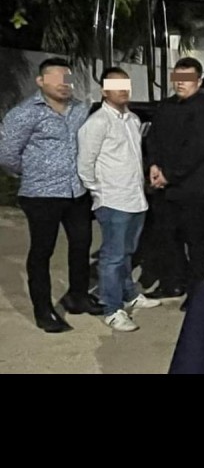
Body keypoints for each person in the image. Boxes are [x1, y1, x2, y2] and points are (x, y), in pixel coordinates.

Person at [0, 58, 101, 332]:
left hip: (76, 191)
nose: (63, 84)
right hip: (41, 194)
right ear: (40, 81)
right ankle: (43, 310)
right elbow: (7, 154)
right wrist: (34, 172)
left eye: (67, 79)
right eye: (56, 79)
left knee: (81, 245)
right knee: (42, 251)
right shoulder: (24, 114)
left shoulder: (80, 110)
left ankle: (78, 296)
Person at [77, 67, 161, 332]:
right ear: (104, 91)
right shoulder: (97, 123)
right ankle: (112, 309)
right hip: (113, 201)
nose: (122, 90)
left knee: (127, 253)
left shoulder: (133, 119)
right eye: (115, 85)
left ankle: (129, 294)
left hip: (135, 198)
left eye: (125, 85)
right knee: (112, 257)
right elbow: (85, 164)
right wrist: (99, 192)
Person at [145, 58, 204, 311]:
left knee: (199, 244)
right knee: (167, 238)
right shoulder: (165, 107)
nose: (181, 83)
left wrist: (170, 174)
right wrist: (154, 165)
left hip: (196, 189)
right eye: (177, 78)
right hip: (164, 189)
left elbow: (198, 148)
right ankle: (172, 282)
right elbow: (152, 139)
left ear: (198, 82)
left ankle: (198, 291)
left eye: (187, 79)